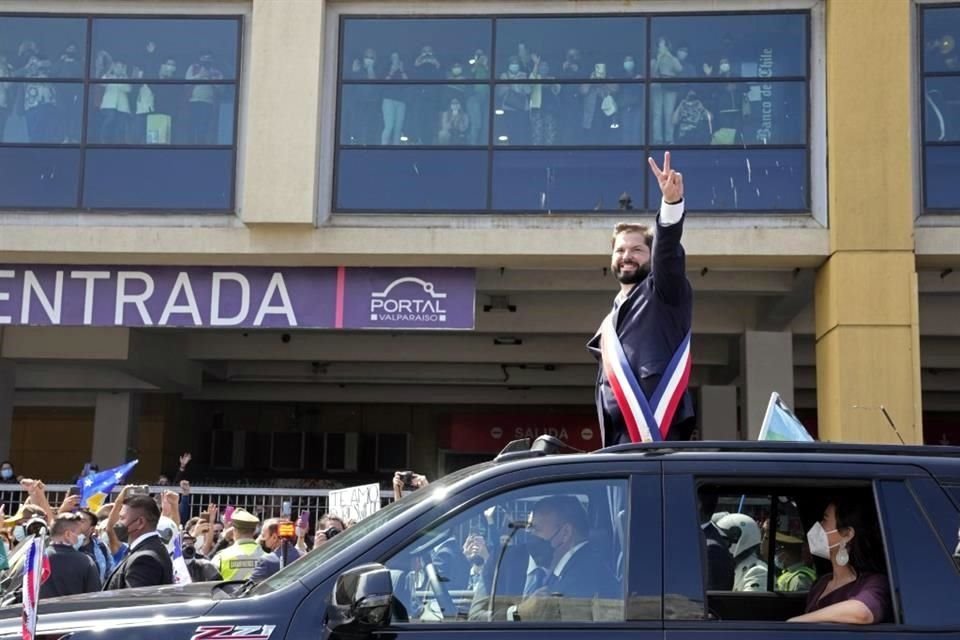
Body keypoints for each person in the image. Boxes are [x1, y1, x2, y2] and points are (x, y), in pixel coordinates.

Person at [587, 151, 695, 445]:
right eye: (620, 250)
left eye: (636, 250)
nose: (627, 257)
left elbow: (667, 251)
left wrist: (670, 204)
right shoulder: (610, 320)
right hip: (619, 442)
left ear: (650, 257)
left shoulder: (664, 292)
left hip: (659, 437)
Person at [788, 498, 891, 624]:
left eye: (825, 520)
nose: (818, 527)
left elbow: (863, 612)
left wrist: (796, 622)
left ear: (847, 534)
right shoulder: (821, 583)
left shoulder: (875, 582)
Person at [515, 495, 619, 621]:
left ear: (566, 533)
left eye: (537, 529)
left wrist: (520, 613)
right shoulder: (581, 567)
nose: (531, 536)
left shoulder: (580, 579)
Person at [103, 494, 174, 590]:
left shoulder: (145, 559)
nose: (118, 523)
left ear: (140, 522)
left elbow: (133, 602)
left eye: (122, 518)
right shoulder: (148, 549)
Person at [40, 513, 101, 599]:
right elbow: (94, 597)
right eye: (79, 533)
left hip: (42, 611)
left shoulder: (37, 559)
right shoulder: (86, 562)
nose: (81, 537)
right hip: (75, 611)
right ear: (68, 534)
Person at [716, 513, 768, 592]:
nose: (719, 545)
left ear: (742, 540)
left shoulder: (758, 572)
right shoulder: (732, 567)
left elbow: (748, 603)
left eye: (724, 541)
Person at [210, 508, 264, 581]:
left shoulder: (221, 557)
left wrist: (224, 540)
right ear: (254, 531)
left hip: (229, 592)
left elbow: (208, 577)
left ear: (233, 530)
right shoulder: (266, 555)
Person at [250, 518, 302, 582]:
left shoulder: (266, 561)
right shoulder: (303, 557)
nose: (261, 539)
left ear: (274, 537)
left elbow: (251, 587)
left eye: (263, 535)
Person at [75, 507, 114, 584]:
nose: (76, 523)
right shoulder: (65, 544)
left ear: (92, 528)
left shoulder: (101, 547)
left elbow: (109, 573)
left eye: (81, 521)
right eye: (75, 519)